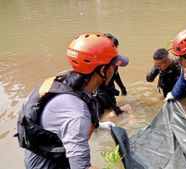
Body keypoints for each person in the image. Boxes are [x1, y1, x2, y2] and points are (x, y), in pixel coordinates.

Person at [16, 33, 128, 169]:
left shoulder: (64, 81)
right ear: (103, 70)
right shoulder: (77, 115)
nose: (115, 69)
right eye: (113, 66)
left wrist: (98, 124)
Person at [96, 33, 127, 116]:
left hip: (109, 90)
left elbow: (115, 73)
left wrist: (122, 87)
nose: (115, 50)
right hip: (98, 96)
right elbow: (100, 91)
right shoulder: (99, 65)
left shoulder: (114, 60)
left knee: (110, 110)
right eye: (113, 47)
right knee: (99, 115)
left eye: (116, 47)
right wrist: (115, 108)